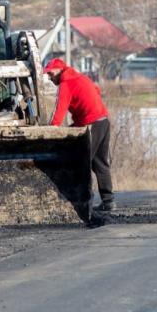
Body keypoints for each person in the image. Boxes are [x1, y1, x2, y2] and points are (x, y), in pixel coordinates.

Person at [43, 58, 115, 212]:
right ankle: (108, 201)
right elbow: (96, 91)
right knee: (100, 163)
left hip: (90, 123)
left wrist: (49, 131)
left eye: (50, 73)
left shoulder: (66, 84)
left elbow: (59, 111)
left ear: (59, 69)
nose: (49, 77)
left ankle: (82, 203)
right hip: (103, 120)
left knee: (81, 163)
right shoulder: (81, 77)